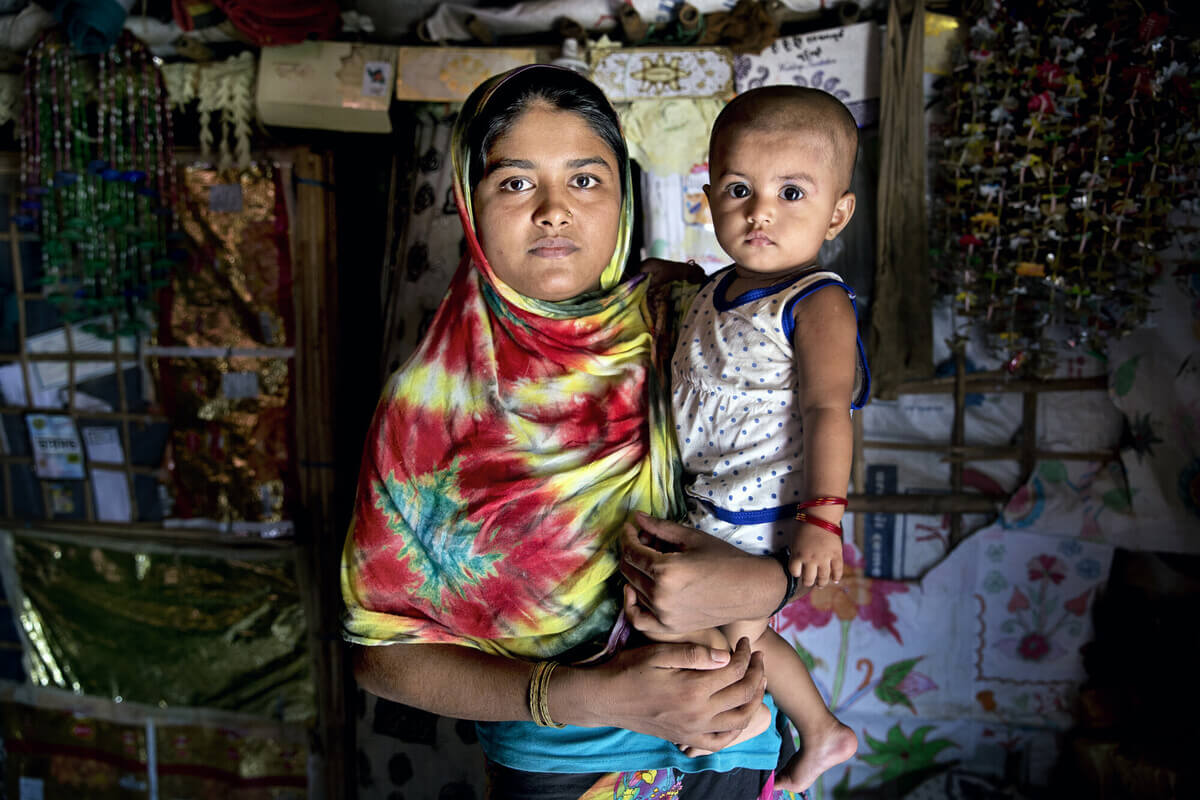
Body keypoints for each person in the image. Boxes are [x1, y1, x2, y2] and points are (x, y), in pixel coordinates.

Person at [341, 65, 811, 800]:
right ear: (469, 201)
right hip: (567, 769)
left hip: (741, 743)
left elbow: (815, 477)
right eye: (516, 183)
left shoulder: (690, 321)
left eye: (586, 180)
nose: (555, 211)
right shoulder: (428, 408)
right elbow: (383, 657)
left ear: (622, 194)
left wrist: (767, 582)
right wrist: (599, 697)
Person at [624, 86, 870, 794]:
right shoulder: (719, 286)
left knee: (721, 634)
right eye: (739, 188)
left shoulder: (816, 300)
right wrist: (668, 277)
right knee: (739, 631)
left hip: (762, 514)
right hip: (708, 498)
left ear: (838, 212)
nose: (760, 210)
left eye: (792, 192)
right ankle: (820, 732)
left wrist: (824, 520)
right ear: (707, 196)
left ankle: (754, 732)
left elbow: (830, 410)